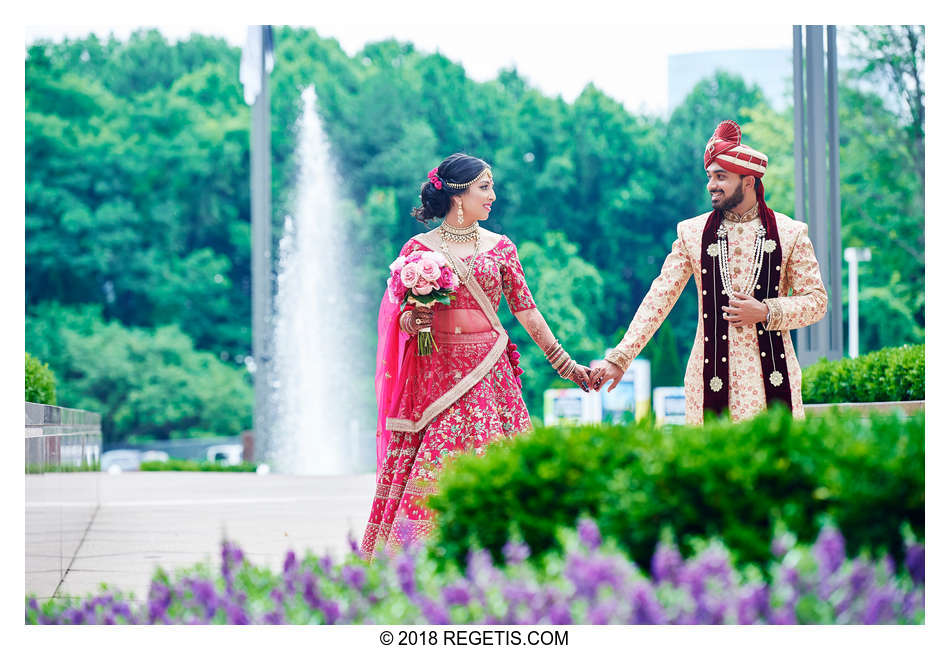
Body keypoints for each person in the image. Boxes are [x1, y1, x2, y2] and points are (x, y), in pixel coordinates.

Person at [361, 153, 592, 557]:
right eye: (484, 187)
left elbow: (527, 311)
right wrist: (413, 323)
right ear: (457, 195)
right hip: (436, 379)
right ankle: (421, 556)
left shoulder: (501, 248)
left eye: (491, 187)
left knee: (499, 461)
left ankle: (509, 552)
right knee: (434, 464)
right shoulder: (418, 251)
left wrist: (565, 365)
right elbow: (397, 318)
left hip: (490, 376)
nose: (492, 196)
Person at [590, 120, 827, 424]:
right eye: (709, 176)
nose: (711, 184)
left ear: (748, 181)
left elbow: (817, 301)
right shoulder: (693, 234)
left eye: (720, 176)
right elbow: (659, 298)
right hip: (709, 380)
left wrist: (767, 310)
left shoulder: (789, 232)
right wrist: (620, 358)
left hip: (771, 381)